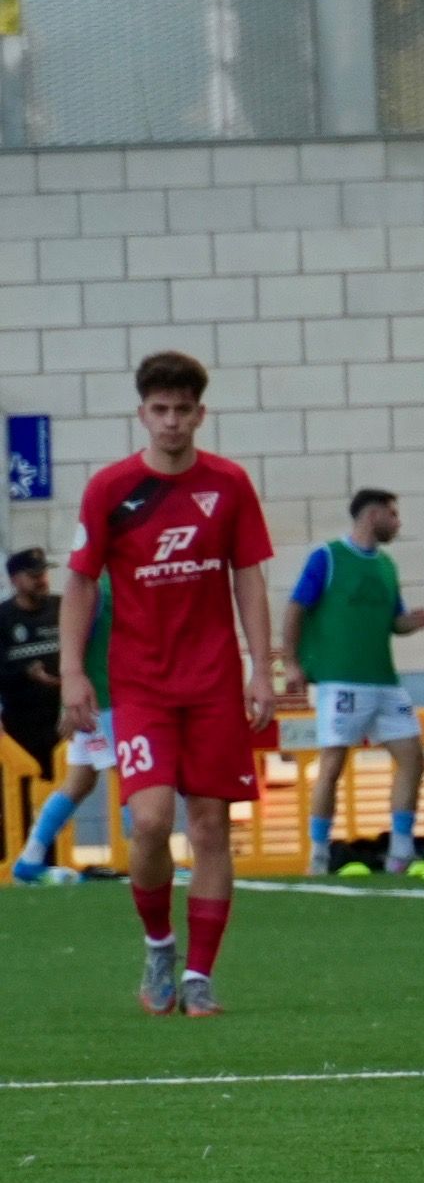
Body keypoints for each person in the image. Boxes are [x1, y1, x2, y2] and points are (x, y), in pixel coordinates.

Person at [59, 352, 275, 1015]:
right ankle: (159, 944)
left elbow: (248, 577)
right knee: (149, 823)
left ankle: (200, 975)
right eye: (160, 410)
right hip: (143, 684)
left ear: (200, 414)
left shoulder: (230, 484)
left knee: (211, 827)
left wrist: (261, 667)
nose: (172, 422)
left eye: (184, 410)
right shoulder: (109, 490)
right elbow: (81, 582)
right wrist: (72, 672)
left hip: (212, 682)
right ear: (142, 413)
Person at [276, 488, 424, 876]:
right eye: (393, 515)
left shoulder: (386, 566)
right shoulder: (327, 557)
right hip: (341, 682)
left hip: (384, 680)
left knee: (413, 757)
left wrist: (408, 624)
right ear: (372, 514)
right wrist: (291, 663)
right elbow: (296, 608)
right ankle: (318, 853)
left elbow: (393, 621)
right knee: (333, 764)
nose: (398, 523)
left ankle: (400, 852)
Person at [12, 569, 111, 883]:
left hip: (93, 698)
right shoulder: (103, 588)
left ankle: (29, 859)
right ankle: (152, 854)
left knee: (80, 781)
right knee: (140, 780)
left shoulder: (100, 584)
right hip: (105, 700)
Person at [3, 547, 59, 775]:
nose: (42, 580)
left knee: (61, 794)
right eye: (34, 576)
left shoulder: (62, 607)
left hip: (60, 721)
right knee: (18, 799)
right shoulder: (3, 617)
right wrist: (26, 673)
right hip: (18, 727)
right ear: (15, 580)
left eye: (44, 574)